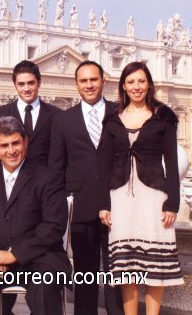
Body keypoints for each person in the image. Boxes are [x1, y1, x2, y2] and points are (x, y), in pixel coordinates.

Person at [0, 116, 71, 315]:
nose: (11, 151)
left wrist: (14, 255)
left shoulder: (48, 177)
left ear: (25, 142)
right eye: (4, 145)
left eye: (16, 143)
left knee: (44, 286)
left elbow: (53, 227)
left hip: (40, 260)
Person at [100, 62, 183, 315]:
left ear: (149, 84)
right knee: (127, 268)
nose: (136, 87)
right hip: (120, 198)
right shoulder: (112, 119)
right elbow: (104, 165)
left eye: (141, 81)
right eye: (131, 82)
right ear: (123, 86)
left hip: (154, 195)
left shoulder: (164, 116)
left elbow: (171, 161)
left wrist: (173, 203)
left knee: (155, 266)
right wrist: (103, 204)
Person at [49, 61, 124, 315]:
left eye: (94, 79)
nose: (89, 85)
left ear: (103, 81)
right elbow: (56, 166)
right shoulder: (63, 120)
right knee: (84, 273)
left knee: (117, 271)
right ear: (77, 84)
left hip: (117, 203)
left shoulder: (119, 113)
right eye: (84, 80)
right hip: (80, 206)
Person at [0, 60, 60, 174]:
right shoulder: (0, 113)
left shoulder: (56, 115)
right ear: (15, 85)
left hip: (44, 183)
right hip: (11, 183)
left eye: (31, 83)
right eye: (21, 84)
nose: (26, 89)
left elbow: (59, 157)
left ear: (39, 83)